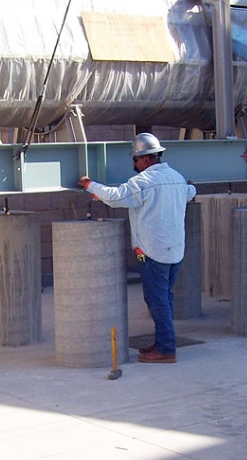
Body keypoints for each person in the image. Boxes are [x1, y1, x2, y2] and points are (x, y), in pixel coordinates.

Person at [78, 133, 196, 364]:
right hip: (175, 251)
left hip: (151, 252)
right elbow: (191, 193)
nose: (134, 164)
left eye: (135, 159)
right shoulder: (176, 177)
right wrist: (191, 188)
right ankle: (163, 341)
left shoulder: (144, 182)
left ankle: (166, 349)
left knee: (156, 300)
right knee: (165, 298)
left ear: (147, 159)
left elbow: (116, 197)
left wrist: (89, 184)